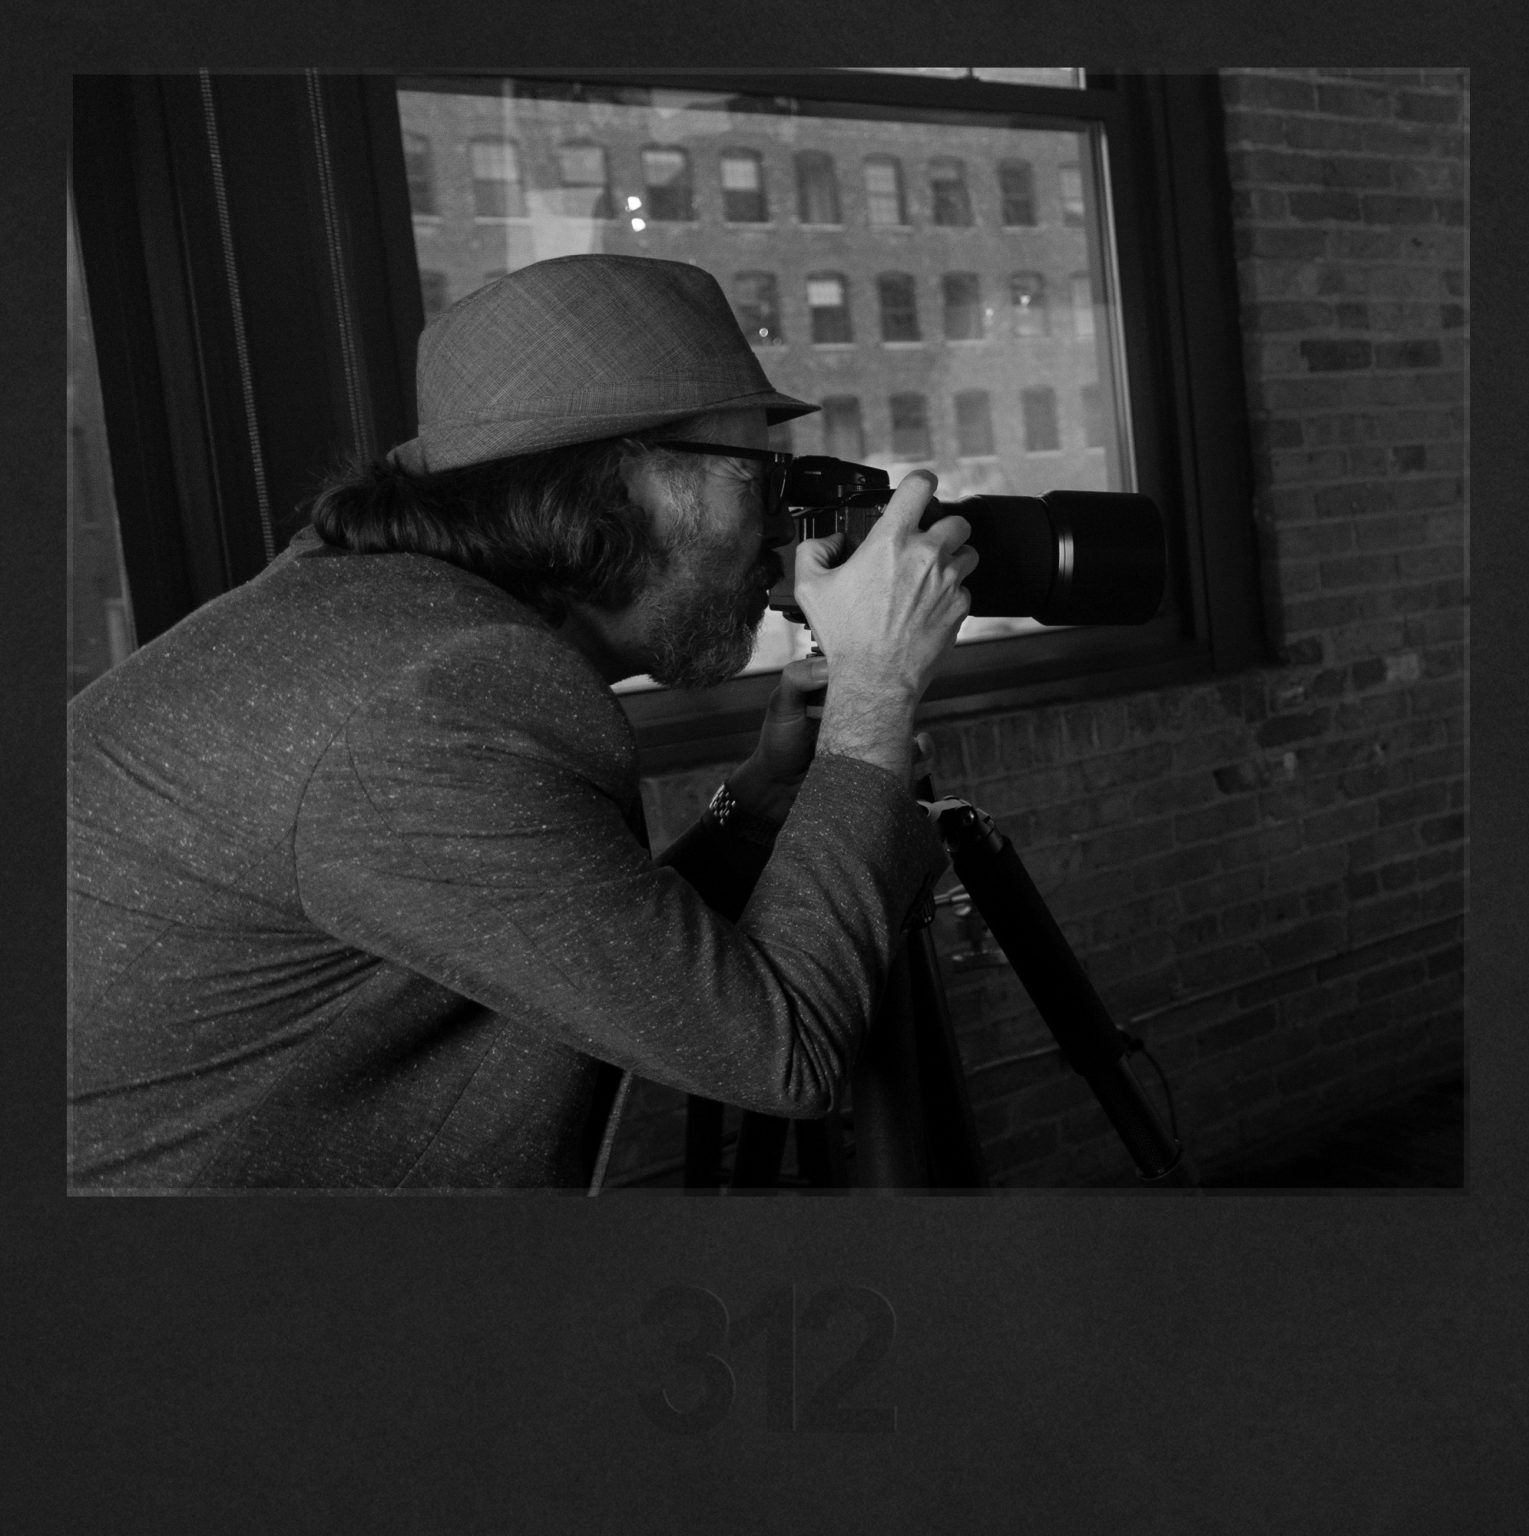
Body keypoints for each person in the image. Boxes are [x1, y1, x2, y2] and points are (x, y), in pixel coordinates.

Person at [67, 254, 976, 1190]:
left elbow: (601, 962)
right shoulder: (440, 698)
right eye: (761, 476)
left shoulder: (387, 625)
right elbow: (782, 1052)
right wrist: (874, 697)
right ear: (632, 484)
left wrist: (761, 805)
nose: (784, 527)